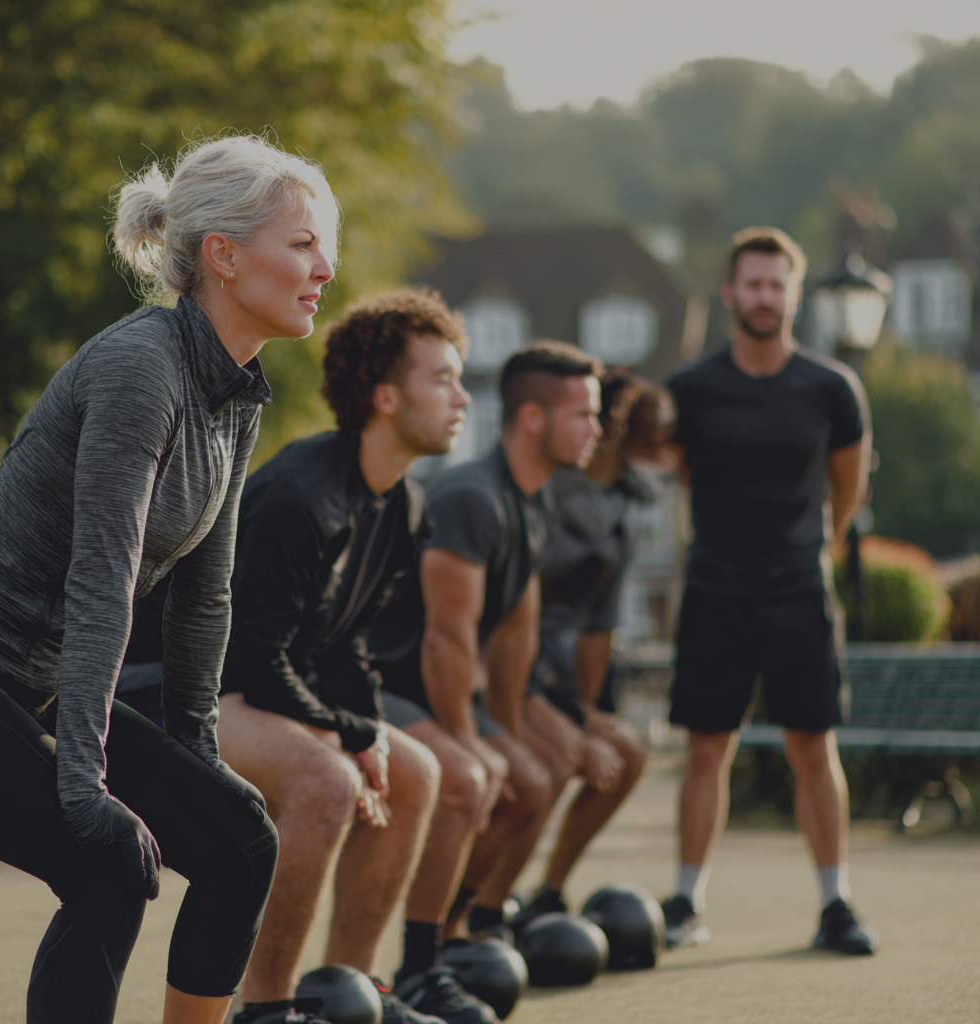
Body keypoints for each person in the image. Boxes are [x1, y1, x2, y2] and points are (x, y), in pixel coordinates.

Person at [0, 133, 338, 1024]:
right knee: (106, 862)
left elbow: (207, 595)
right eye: (304, 244)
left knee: (239, 838)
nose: (325, 267)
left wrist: (198, 758)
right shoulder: (142, 366)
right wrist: (86, 787)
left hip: (44, 688)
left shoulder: (235, 388)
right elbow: (103, 579)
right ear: (225, 255)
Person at [213, 290, 498, 1024]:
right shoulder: (299, 497)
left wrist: (364, 727)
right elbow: (249, 660)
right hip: (181, 687)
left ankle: (352, 994)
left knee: (418, 770)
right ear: (385, 395)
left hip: (262, 687)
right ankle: (267, 1010)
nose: (461, 398)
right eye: (443, 380)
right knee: (329, 782)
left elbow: (347, 647)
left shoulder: (405, 507)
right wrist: (349, 734)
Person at [661, 227, 877, 955]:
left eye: (775, 284)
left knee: (814, 747)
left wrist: (807, 550)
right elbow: (683, 478)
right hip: (715, 587)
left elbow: (845, 492)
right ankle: (685, 902)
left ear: (794, 293)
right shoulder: (691, 390)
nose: (763, 296)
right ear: (731, 294)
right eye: (751, 284)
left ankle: (835, 904)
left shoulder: (833, 388)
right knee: (705, 749)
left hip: (798, 592)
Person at [370, 340, 603, 951]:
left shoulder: (537, 498)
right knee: (484, 779)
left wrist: (512, 724)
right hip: (383, 682)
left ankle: (458, 928)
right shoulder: (471, 497)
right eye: (583, 414)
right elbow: (447, 640)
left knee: (536, 776)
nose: (596, 429)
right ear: (533, 417)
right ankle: (421, 954)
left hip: (432, 685)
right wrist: (473, 744)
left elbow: (518, 631)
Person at [513, 371, 663, 926]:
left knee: (626, 751)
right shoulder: (543, 491)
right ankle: (478, 898)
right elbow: (506, 615)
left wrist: (589, 710)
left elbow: (602, 622)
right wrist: (559, 718)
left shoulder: (622, 507)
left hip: (563, 669)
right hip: (513, 665)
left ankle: (548, 892)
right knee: (553, 760)